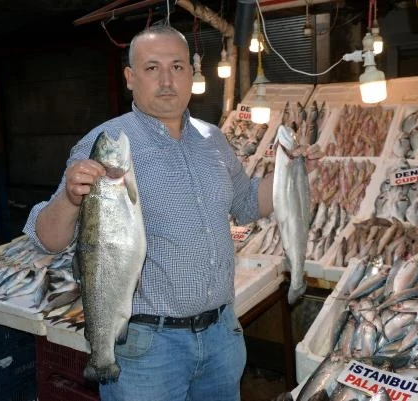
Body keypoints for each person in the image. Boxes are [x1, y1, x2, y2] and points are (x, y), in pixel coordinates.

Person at [23, 24, 274, 401]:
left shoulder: (213, 139)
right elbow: (48, 240)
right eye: (152, 68)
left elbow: (248, 204)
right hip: (147, 348)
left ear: (192, 72)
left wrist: (293, 170)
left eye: (177, 66)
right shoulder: (105, 143)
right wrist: (70, 199)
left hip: (222, 335)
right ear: (130, 77)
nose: (167, 80)